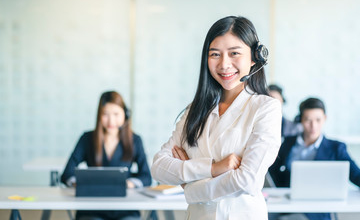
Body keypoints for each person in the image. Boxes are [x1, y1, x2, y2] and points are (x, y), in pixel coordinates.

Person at [151, 16, 282, 220]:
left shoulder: (266, 108)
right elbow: (159, 167)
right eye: (215, 54)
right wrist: (213, 168)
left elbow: (247, 181)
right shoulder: (195, 110)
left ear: (255, 57)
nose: (224, 64)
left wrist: (190, 189)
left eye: (234, 53)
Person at [61, 91, 152, 220]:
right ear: (99, 116)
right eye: (105, 114)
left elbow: (146, 176)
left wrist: (129, 183)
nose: (111, 121)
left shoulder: (135, 140)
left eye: (116, 114)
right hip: (92, 209)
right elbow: (67, 174)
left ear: (125, 115)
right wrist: (80, 183)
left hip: (125, 209)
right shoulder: (87, 138)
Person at [269, 97, 360, 220]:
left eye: (318, 120)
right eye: (308, 120)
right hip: (289, 205)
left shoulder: (336, 148)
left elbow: (355, 175)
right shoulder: (288, 143)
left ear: (325, 119)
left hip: (319, 209)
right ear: (300, 119)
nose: (313, 126)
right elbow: (273, 170)